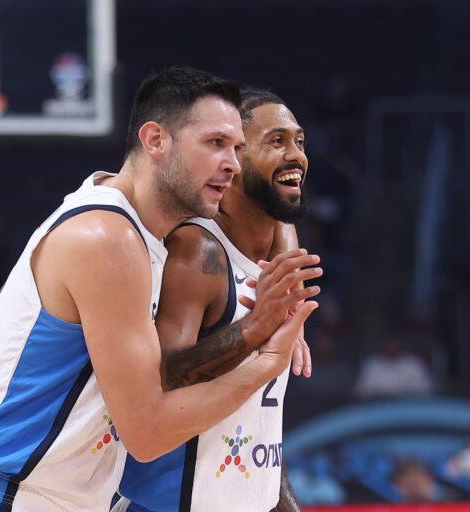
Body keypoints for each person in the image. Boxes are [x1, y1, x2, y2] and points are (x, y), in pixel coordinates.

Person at [0, 68, 319, 512]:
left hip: (55, 498)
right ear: (156, 140)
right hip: (0, 494)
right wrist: (267, 357)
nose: (234, 165)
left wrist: (287, 281)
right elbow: (147, 434)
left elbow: (272, 208)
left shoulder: (140, 224)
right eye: (216, 144)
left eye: (238, 148)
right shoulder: (107, 238)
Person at [117, 89, 317, 511]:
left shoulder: (276, 263)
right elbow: (162, 381)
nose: (296, 155)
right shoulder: (198, 252)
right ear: (234, 160)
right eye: (277, 141)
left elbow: (257, 426)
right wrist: (254, 330)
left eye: (299, 141)